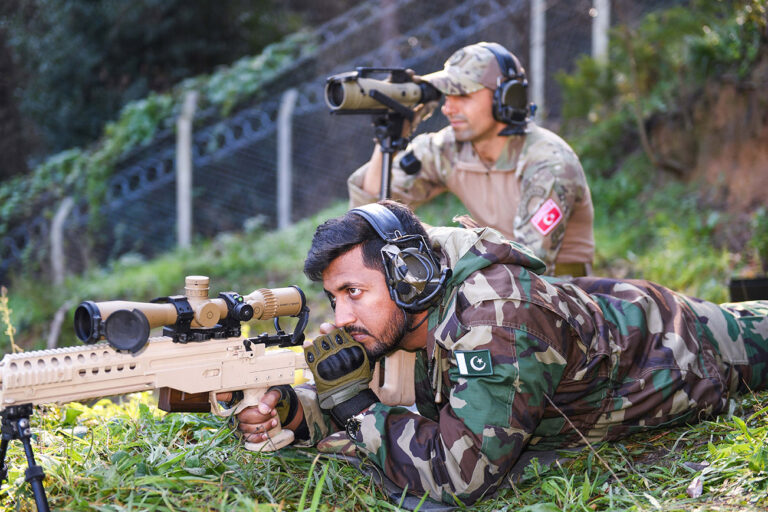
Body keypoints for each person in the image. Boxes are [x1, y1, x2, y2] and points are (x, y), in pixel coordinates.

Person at [234, 200, 768, 506]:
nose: (342, 316)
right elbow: (381, 395)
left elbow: (461, 474)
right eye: (334, 298)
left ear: (408, 276)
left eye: (354, 291)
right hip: (620, 315)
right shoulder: (405, 316)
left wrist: (354, 409)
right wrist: (294, 410)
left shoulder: (495, 323)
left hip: (687, 348)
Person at [347, 41, 594, 277]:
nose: (448, 108)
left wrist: (434, 237)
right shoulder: (450, 148)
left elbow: (529, 261)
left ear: (507, 98)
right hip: (490, 282)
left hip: (557, 291)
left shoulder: (549, 162)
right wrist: (389, 137)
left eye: (462, 95)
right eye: (447, 95)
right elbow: (369, 211)